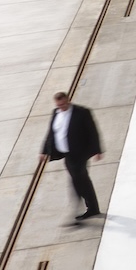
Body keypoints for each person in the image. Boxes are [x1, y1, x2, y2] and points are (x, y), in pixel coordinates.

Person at [42, 91, 103, 222]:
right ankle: (91, 208)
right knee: (81, 180)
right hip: (67, 154)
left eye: (63, 104)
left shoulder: (82, 112)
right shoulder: (56, 113)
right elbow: (51, 133)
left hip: (80, 153)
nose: (61, 107)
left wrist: (97, 150)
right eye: (59, 105)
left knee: (78, 180)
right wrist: (44, 151)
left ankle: (81, 208)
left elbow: (93, 131)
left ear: (68, 100)